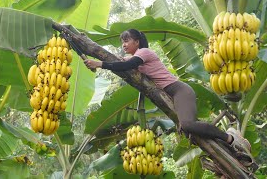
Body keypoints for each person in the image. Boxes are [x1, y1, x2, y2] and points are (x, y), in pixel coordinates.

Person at [84, 28, 251, 153]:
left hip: (180, 91)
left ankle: (229, 138)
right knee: (188, 128)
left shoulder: (144, 52)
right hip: (174, 93)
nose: (124, 45)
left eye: (127, 41)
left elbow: (126, 65)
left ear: (137, 41)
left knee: (187, 124)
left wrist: (100, 64)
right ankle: (226, 144)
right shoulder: (139, 56)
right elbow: (125, 61)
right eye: (122, 41)